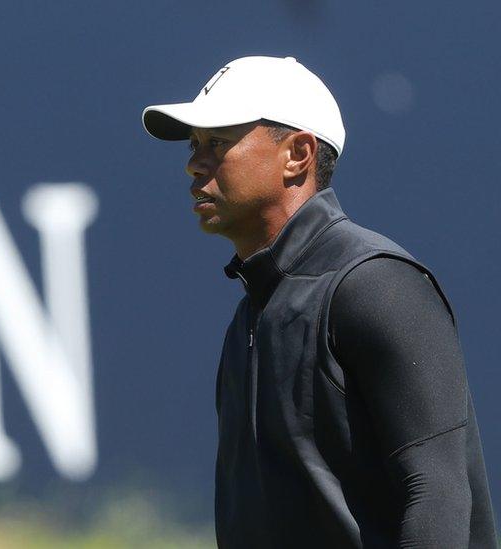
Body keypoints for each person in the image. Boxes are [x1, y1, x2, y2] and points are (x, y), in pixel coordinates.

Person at [142, 56, 497, 548]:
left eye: (218, 143)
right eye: (194, 144)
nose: (193, 162)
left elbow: (437, 494)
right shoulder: (252, 312)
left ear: (298, 154)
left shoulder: (375, 284)